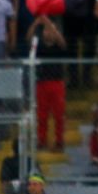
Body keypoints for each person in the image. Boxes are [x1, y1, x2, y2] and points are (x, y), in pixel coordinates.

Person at [29, 16, 67, 151]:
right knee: (42, 114)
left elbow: (63, 43)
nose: (48, 32)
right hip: (41, 83)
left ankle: (59, 141)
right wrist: (36, 23)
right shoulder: (38, 44)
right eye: (46, 30)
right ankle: (42, 140)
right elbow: (29, 38)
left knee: (58, 114)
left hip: (57, 83)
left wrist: (50, 25)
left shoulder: (58, 45)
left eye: (51, 30)